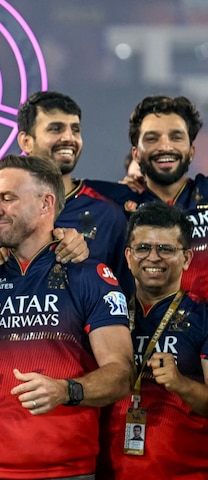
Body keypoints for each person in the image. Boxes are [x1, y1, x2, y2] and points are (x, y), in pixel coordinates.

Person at [0, 154, 134, 480]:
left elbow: (122, 374)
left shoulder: (89, 275)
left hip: (69, 470)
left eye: (8, 198)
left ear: (45, 204)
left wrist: (66, 390)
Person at [0, 62, 133, 295]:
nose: (69, 138)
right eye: (55, 129)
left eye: (75, 129)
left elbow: (121, 297)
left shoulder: (108, 212)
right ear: (26, 141)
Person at [97, 201, 208, 479]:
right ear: (128, 256)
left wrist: (181, 383)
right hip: (108, 471)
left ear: (187, 258)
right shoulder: (105, 314)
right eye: (143, 248)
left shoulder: (204, 315)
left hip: (185, 473)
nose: (153, 257)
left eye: (166, 249)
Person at [88, 95, 208, 301]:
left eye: (176, 137)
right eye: (152, 138)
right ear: (135, 154)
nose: (165, 146)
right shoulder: (111, 202)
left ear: (191, 151)